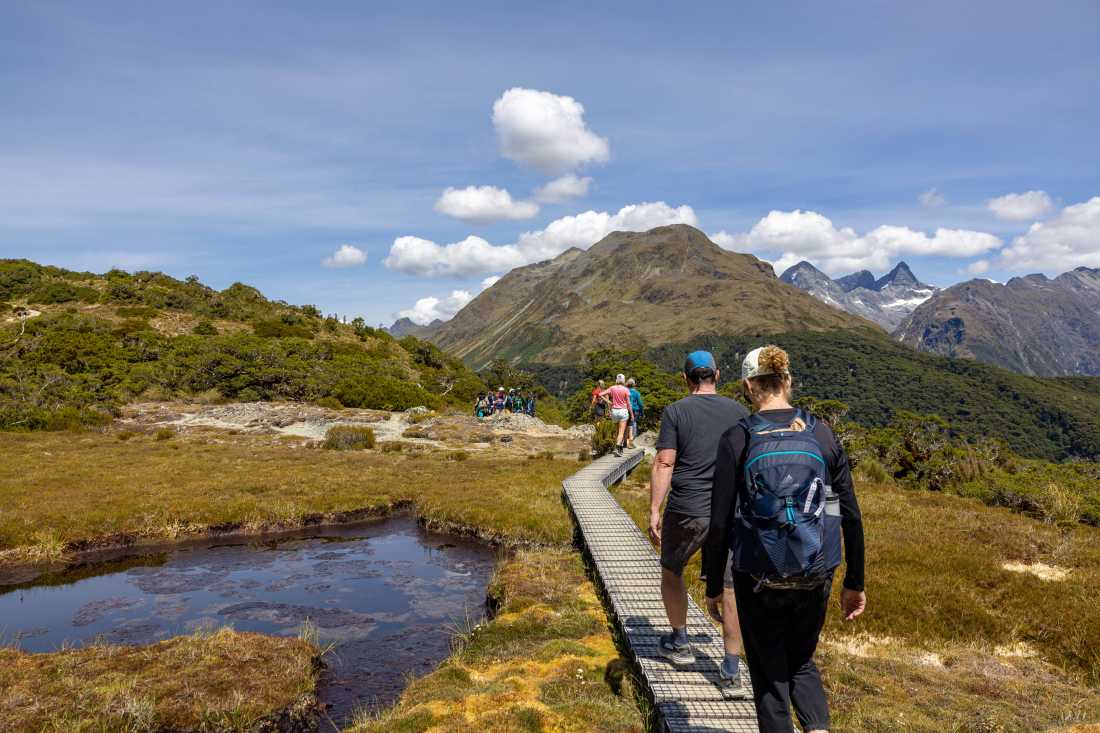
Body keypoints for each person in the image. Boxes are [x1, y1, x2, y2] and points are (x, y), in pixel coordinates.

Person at [704, 345, 866, 733]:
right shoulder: (822, 433)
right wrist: (854, 582)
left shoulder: (737, 438)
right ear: (788, 381)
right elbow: (851, 515)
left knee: (768, 672)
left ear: (747, 386)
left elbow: (720, 522)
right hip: (816, 571)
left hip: (757, 575)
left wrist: (713, 586)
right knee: (802, 661)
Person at [648, 351, 750, 697]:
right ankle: (732, 671)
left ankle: (680, 642)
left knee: (672, 570)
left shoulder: (676, 411)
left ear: (685, 378)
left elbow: (664, 462)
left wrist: (654, 509)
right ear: (717, 375)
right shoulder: (739, 412)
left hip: (688, 507)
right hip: (732, 512)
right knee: (732, 586)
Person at [601, 374, 634, 456]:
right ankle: (618, 446)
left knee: (617, 431)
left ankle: (619, 448)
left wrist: (608, 402)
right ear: (623, 380)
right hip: (623, 411)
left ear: (616, 380)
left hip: (614, 411)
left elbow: (600, 394)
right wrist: (632, 414)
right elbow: (628, 403)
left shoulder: (612, 388)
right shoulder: (626, 389)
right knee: (621, 432)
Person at [626, 377, 644, 448]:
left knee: (626, 425)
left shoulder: (625, 391)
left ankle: (626, 441)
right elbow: (640, 404)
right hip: (634, 411)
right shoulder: (636, 393)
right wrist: (642, 412)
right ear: (634, 385)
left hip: (625, 410)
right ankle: (631, 441)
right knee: (633, 425)